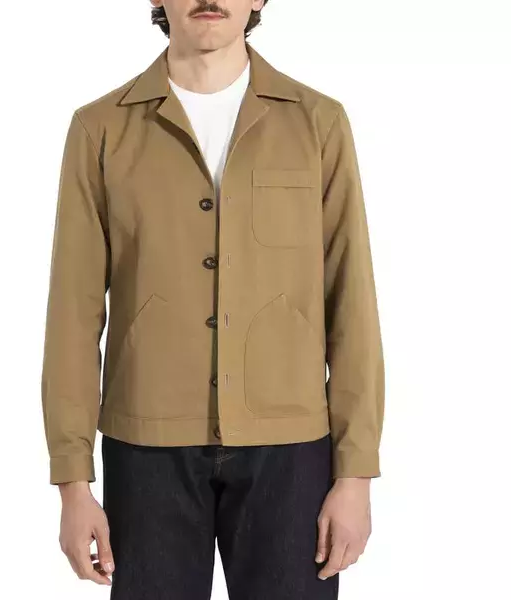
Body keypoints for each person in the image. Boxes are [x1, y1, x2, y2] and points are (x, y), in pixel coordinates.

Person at [40, 1, 385, 598]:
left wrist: (356, 473)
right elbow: (72, 313)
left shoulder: (318, 123)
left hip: (291, 450)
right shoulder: (100, 129)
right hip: (146, 449)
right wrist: (73, 482)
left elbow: (351, 299)